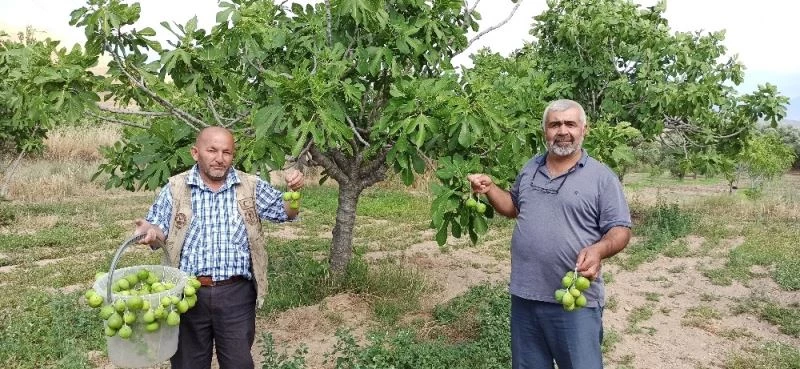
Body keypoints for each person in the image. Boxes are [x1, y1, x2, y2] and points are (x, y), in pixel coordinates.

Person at [467, 99, 632, 369]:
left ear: (584, 129)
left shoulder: (602, 178)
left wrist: (599, 249)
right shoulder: (531, 168)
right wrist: (490, 189)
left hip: (575, 300)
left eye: (570, 124)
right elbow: (514, 207)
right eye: (555, 124)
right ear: (545, 130)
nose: (562, 131)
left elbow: (620, 230)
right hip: (526, 296)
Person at [133, 126, 304, 369]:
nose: (219, 158)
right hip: (188, 294)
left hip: (236, 294)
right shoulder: (176, 188)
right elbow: (158, 228)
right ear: (195, 153)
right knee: (188, 364)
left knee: (239, 364)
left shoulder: (250, 186)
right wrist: (150, 232)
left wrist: (294, 193)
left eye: (226, 152)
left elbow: (285, 212)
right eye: (211, 150)